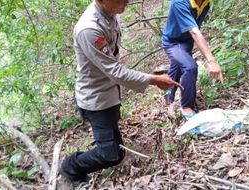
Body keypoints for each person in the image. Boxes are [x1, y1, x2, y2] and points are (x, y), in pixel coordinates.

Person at [59, 0, 182, 188]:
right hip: (96, 99)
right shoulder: (89, 29)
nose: (125, 2)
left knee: (115, 145)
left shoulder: (110, 13)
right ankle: (71, 166)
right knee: (111, 155)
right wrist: (154, 80)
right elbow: (114, 70)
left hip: (109, 92)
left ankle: (107, 146)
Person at [162, 0, 223, 118]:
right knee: (190, 67)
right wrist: (211, 61)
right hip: (173, 42)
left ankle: (168, 97)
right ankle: (186, 107)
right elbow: (195, 32)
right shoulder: (179, 3)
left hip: (187, 41)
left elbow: (195, 28)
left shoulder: (206, 3)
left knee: (177, 67)